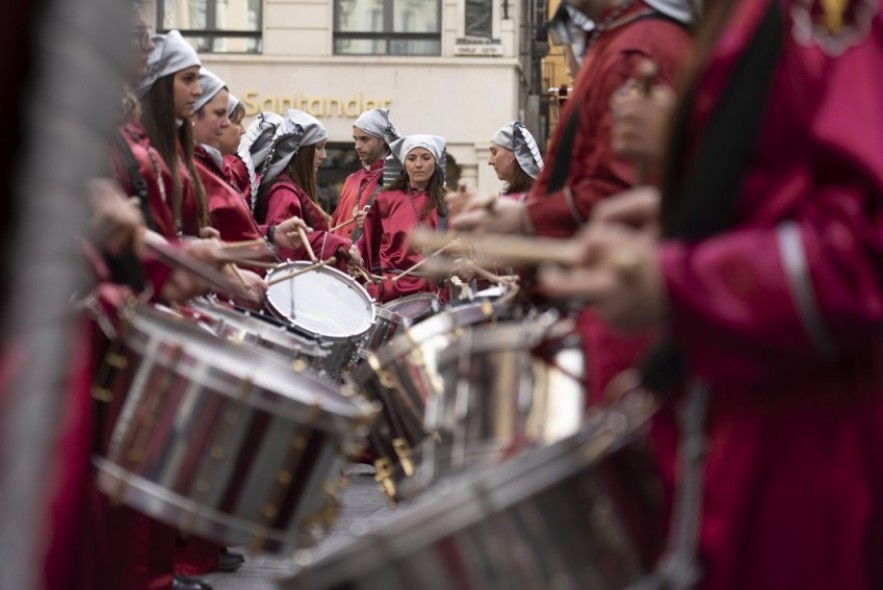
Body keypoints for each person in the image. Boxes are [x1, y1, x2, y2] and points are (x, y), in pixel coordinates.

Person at [538, 0, 883, 588]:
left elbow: (865, 251)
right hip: (747, 439)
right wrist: (673, 227)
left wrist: (674, 279)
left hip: (818, 466)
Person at [191, 69, 304, 253]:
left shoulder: (208, 166)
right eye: (220, 114)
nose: (239, 129)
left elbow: (231, 235)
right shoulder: (193, 166)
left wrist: (271, 233)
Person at [253, 109, 359, 270]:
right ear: (299, 153)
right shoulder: (284, 195)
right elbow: (285, 247)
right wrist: (336, 244)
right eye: (319, 148)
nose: (324, 155)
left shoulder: (285, 190)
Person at [358, 134, 447, 303]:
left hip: (434, 290)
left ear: (435, 162)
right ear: (404, 164)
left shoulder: (448, 201)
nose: (418, 164)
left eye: (425, 158)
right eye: (412, 158)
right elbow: (369, 245)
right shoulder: (386, 199)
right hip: (393, 290)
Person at [330, 108, 400, 240]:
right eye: (355, 139)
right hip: (339, 258)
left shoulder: (396, 179)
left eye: (364, 139)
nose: (357, 146)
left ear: (383, 140)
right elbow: (335, 221)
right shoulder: (351, 179)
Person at [488, 121, 544, 200]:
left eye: (494, 152)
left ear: (514, 154)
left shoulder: (533, 198)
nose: (489, 161)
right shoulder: (509, 193)